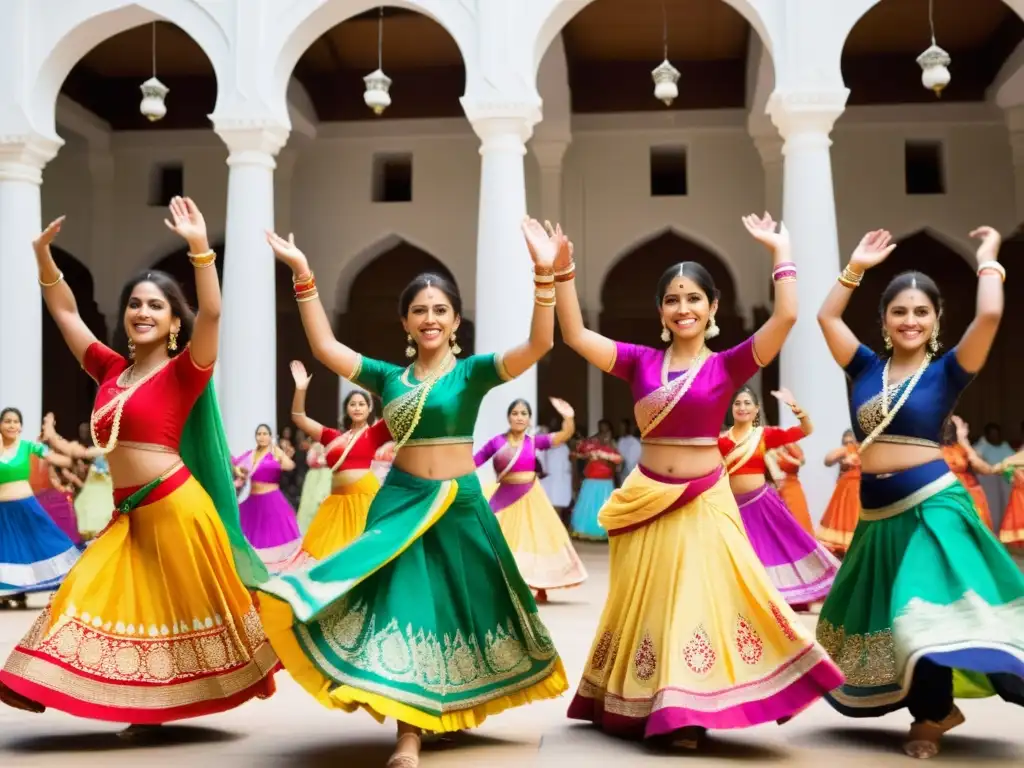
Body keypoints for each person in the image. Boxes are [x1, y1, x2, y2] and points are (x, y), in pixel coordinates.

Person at [256, 220, 567, 768]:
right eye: (419, 310)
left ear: (455, 321)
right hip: (401, 502)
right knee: (408, 609)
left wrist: (544, 274)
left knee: (456, 612)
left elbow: (541, 343)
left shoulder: (472, 373)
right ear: (405, 321)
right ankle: (409, 734)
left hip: (459, 505)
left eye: (440, 310)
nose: (430, 318)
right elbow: (326, 348)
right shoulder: (387, 378)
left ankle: (440, 710)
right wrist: (303, 275)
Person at [556, 213, 842, 749]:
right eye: (672, 299)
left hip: (705, 500)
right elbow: (574, 334)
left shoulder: (729, 366)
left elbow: (786, 318)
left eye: (693, 299)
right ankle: (646, 699)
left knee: (697, 600)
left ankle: (686, 712)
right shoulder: (639, 362)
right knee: (653, 602)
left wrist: (781, 253)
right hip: (647, 499)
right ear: (661, 311)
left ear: (712, 308)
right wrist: (561, 271)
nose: (682, 308)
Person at [0, 199, 277, 730]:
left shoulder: (185, 371)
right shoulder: (108, 368)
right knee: (86, 588)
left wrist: (200, 248)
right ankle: (43, 679)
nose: (142, 311)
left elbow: (214, 313)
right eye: (135, 303)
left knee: (170, 611)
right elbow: (65, 313)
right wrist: (43, 258)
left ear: (175, 320)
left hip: (175, 507)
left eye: (155, 305)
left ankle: (149, 705)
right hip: (126, 513)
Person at [815, 226, 1024, 758]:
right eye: (899, 312)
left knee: (919, 607)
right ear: (884, 321)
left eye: (921, 312)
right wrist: (856, 268)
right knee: (887, 614)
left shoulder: (949, 371)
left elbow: (991, 317)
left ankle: (929, 718)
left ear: (935, 321)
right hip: (878, 514)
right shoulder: (863, 366)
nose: (910, 320)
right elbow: (827, 317)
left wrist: (988, 257)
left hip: (933, 506)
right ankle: (937, 706)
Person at [719, 386, 839, 610]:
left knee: (778, 547)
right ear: (731, 409)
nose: (742, 407)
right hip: (733, 508)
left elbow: (806, 430)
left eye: (747, 403)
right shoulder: (721, 441)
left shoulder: (763, 436)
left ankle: (785, 597)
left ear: (756, 410)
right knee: (742, 555)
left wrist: (794, 406)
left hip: (762, 504)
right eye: (737, 403)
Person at [475, 397, 587, 604]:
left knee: (535, 540)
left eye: (523, 414)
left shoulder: (534, 441)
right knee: (494, 537)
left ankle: (538, 585)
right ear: (508, 417)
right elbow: (474, 461)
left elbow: (563, 436)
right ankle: (498, 585)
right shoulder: (496, 442)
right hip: (503, 495)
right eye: (515, 413)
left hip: (530, 496)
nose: (519, 417)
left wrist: (568, 418)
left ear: (529, 419)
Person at [286, 363, 393, 567]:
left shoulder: (375, 433)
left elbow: (394, 409)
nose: (357, 408)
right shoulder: (333, 437)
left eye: (362, 404)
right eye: (353, 404)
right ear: (346, 408)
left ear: (369, 408)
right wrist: (300, 389)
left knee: (360, 556)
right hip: (336, 503)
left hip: (364, 501)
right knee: (323, 554)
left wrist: (376, 387)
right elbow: (298, 418)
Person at [0, 407, 79, 610]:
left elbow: (54, 458)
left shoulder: (28, 447)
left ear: (21, 426)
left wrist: (72, 455)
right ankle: (10, 594)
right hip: (3, 512)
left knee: (43, 544)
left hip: (26, 508)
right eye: (7, 421)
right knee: (7, 553)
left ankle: (74, 583)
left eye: (16, 421)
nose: (11, 425)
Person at [233, 424, 301, 571]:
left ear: (270, 437)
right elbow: (234, 464)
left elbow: (290, 465)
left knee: (273, 539)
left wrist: (280, 453)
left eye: (265, 434)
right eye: (259, 434)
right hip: (253, 502)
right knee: (253, 539)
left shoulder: (274, 454)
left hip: (272, 501)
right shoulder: (250, 455)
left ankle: (275, 571)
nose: (262, 437)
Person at [569, 420, 621, 541]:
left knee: (604, 507)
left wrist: (604, 455)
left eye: (606, 431)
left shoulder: (611, 447)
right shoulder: (591, 444)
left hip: (605, 482)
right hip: (591, 480)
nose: (604, 434)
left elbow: (618, 460)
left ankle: (604, 531)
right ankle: (584, 531)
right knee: (588, 507)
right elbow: (578, 453)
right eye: (601, 430)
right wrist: (582, 455)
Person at [941, 415, 995, 530]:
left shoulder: (963, 448)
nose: (965, 427)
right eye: (962, 425)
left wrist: (964, 441)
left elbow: (986, 469)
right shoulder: (934, 448)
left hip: (970, 493)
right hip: (947, 494)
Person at [817, 430, 862, 556]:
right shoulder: (846, 451)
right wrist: (846, 450)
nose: (848, 444)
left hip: (859, 491)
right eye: (845, 442)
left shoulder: (864, 451)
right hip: (844, 492)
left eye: (850, 441)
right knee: (842, 519)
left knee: (855, 520)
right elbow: (828, 460)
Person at [766, 440, 815, 535]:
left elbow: (801, 461)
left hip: (793, 488)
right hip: (775, 490)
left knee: (798, 518)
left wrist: (786, 445)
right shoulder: (769, 451)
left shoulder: (791, 447)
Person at [539, 415, 573, 527]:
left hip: (561, 481)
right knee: (547, 509)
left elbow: (570, 465)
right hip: (548, 481)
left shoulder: (565, 446)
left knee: (558, 507)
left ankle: (558, 535)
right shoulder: (545, 444)